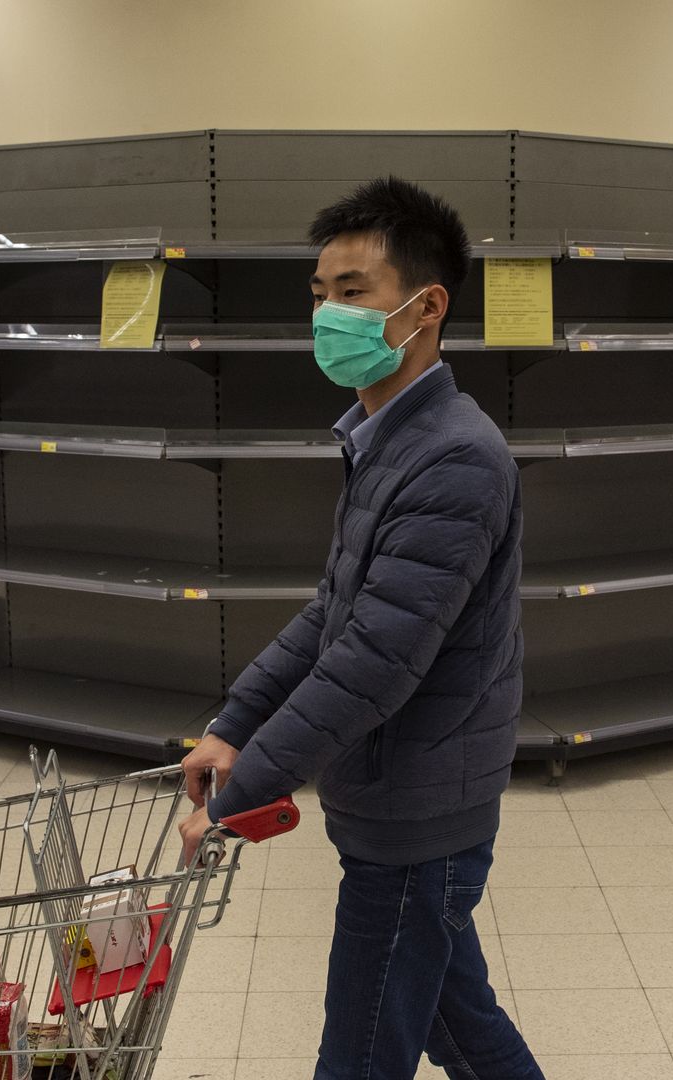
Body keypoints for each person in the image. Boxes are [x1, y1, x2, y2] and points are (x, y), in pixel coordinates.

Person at [177, 177, 542, 1080]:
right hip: (400, 797)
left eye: (353, 293)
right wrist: (236, 722)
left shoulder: (454, 456)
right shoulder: (383, 437)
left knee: (361, 1057)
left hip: (420, 815)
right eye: (318, 295)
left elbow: (375, 664)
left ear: (426, 307)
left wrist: (240, 795)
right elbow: (333, 616)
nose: (326, 316)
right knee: (461, 1025)